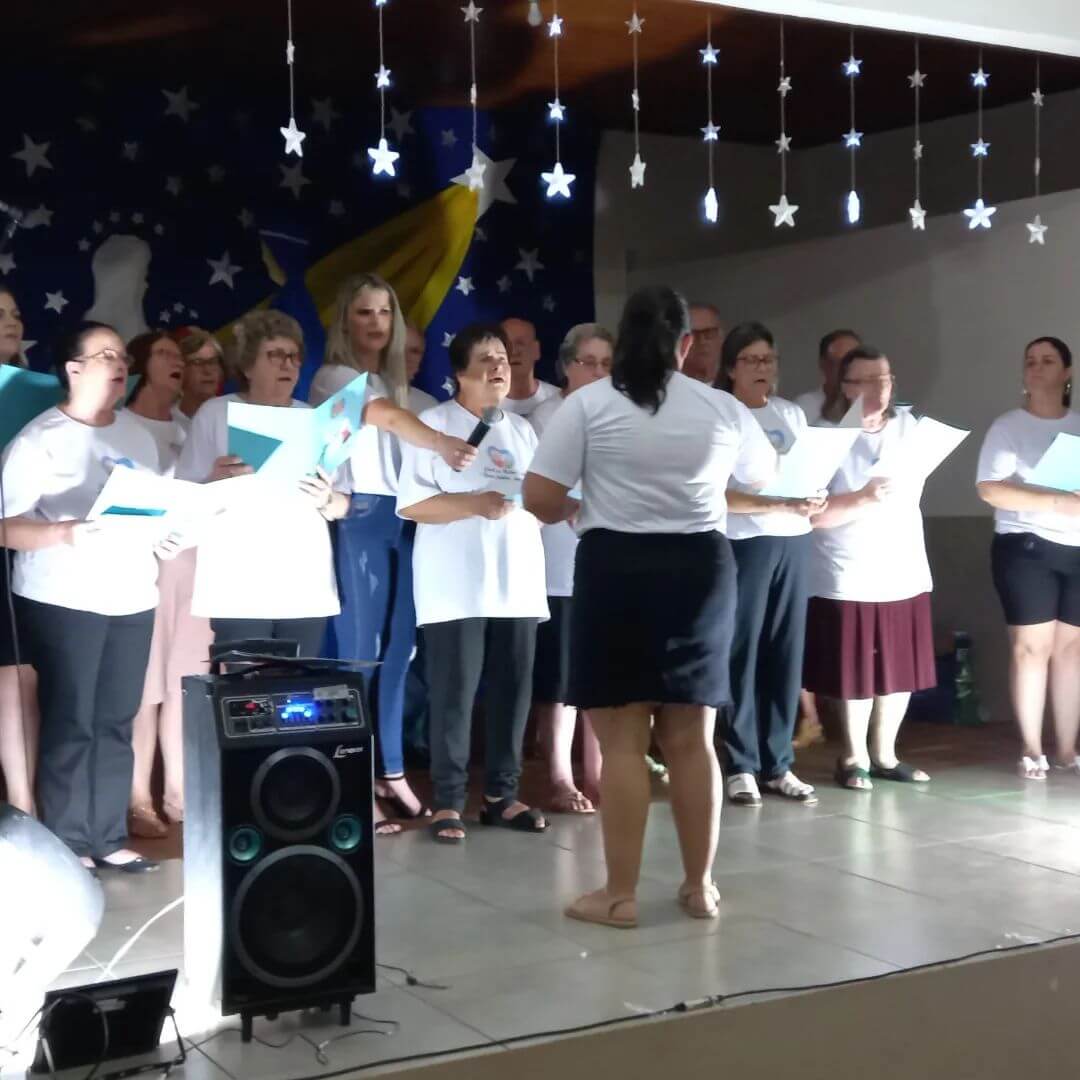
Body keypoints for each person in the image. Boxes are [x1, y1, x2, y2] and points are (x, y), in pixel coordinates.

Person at [524, 286, 776, 928]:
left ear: (622, 340)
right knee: (692, 738)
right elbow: (763, 475)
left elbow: (539, 499)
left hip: (616, 568)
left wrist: (582, 505)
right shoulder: (721, 407)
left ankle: (620, 895)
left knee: (623, 741)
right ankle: (700, 888)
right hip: (700, 570)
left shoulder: (588, 405)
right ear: (686, 344)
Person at [307, 276, 476, 827]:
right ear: (345, 321)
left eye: (384, 312)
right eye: (364, 312)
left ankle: (392, 770)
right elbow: (382, 416)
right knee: (359, 653)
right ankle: (351, 779)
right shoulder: (335, 376)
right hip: (359, 516)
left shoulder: (397, 384)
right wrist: (441, 442)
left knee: (400, 650)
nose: (376, 322)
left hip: (404, 519)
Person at [1, 321, 169, 872]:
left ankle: (108, 835)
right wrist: (63, 532)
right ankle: (70, 843)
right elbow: (6, 527)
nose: (120, 365)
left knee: (117, 718)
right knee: (72, 718)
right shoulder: (40, 439)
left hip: (132, 594)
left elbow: (152, 508)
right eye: (106, 355)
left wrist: (168, 531)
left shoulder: (137, 436)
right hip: (63, 597)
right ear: (73, 369)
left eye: (123, 357)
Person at [398, 322, 550, 843]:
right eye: (486, 358)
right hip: (456, 585)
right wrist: (473, 504)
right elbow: (413, 504)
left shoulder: (522, 429)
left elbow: (535, 499)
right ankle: (447, 800)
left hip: (517, 580)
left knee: (514, 690)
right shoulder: (435, 425)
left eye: (503, 357)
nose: (498, 366)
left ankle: (502, 797)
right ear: (460, 373)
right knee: (454, 695)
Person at [804, 346, 934, 791]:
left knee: (899, 666)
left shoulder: (910, 430)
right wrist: (861, 498)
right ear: (846, 387)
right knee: (855, 667)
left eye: (885, 379)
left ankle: (885, 754)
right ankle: (853, 755)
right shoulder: (827, 437)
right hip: (847, 568)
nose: (879, 389)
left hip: (902, 563)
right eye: (866, 381)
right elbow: (812, 513)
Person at [718, 322, 823, 807]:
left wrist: (813, 497)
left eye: (769, 359)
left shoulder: (790, 413)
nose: (762, 368)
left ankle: (778, 762)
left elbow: (805, 474)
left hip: (794, 540)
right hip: (746, 543)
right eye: (751, 360)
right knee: (743, 652)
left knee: (785, 652)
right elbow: (719, 494)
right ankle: (741, 763)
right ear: (731, 368)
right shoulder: (724, 416)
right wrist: (776, 504)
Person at [976, 337, 1080, 780]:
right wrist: (1055, 501)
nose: (1037, 368)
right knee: (1031, 648)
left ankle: (1068, 749)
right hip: (1026, 546)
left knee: (1071, 650)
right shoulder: (1008, 427)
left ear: (1067, 373)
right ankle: (1032, 747)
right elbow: (991, 488)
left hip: (1076, 548)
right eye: (1030, 361)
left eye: (1048, 361)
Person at [124, 331, 210, 837]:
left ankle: (178, 792)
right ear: (139, 365)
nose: (176, 363)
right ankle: (139, 796)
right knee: (146, 686)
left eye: (180, 357)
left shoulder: (189, 428)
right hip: (143, 568)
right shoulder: (121, 427)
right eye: (164, 354)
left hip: (194, 567)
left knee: (185, 682)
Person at [528, 323, 613, 812]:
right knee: (560, 680)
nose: (599, 372)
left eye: (607, 364)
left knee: (601, 676)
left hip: (607, 560)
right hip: (558, 562)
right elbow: (541, 486)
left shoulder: (620, 411)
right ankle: (561, 777)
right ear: (565, 366)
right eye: (588, 362)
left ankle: (598, 773)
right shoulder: (547, 417)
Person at [0, 283, 39, 815]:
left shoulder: (37, 397)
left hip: (20, 548)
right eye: (0, 314)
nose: (12, 321)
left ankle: (24, 805)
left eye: (15, 313)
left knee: (19, 676)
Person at [796, 328, 861, 426]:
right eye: (841, 362)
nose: (850, 369)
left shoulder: (876, 407)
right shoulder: (801, 409)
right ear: (823, 364)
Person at [499, 317, 560, 416]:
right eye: (506, 344)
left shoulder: (560, 401)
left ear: (536, 350)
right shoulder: (480, 405)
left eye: (520, 343)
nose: (514, 352)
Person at [175, 327, 225, 424]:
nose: (207, 370)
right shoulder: (166, 421)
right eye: (197, 362)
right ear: (182, 369)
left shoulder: (240, 419)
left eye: (212, 362)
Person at [684, 303, 724, 384]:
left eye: (709, 333)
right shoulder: (667, 387)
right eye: (694, 334)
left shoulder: (738, 386)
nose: (702, 341)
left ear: (721, 337)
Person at [405, 323, 438, 414]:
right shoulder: (369, 394)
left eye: (414, 351)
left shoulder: (430, 406)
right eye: (399, 348)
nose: (406, 357)